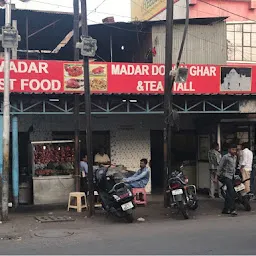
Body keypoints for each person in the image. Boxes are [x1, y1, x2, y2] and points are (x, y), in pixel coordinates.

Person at [217, 144, 237, 216]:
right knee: (232, 193)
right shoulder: (225, 157)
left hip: (232, 177)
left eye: (235, 150)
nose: (234, 151)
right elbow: (220, 167)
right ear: (229, 150)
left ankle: (225, 209)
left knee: (229, 193)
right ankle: (233, 209)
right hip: (226, 176)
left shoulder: (235, 157)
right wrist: (217, 176)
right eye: (233, 149)